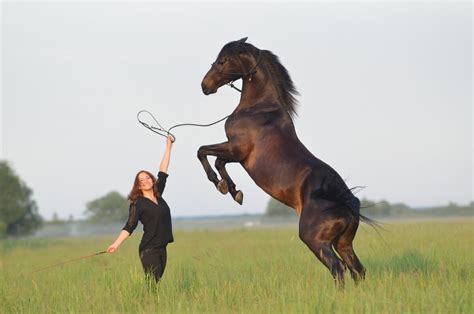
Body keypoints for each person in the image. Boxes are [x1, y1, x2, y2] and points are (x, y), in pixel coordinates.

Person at [107, 135, 174, 283]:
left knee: (156, 284)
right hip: (149, 249)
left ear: (152, 179)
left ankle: (150, 305)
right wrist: (116, 244)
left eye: (147, 178)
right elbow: (130, 226)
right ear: (138, 185)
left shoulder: (158, 195)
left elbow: (163, 170)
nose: (145, 181)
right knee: (152, 285)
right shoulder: (138, 203)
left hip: (162, 247)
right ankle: (147, 305)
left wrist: (169, 146)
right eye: (141, 180)